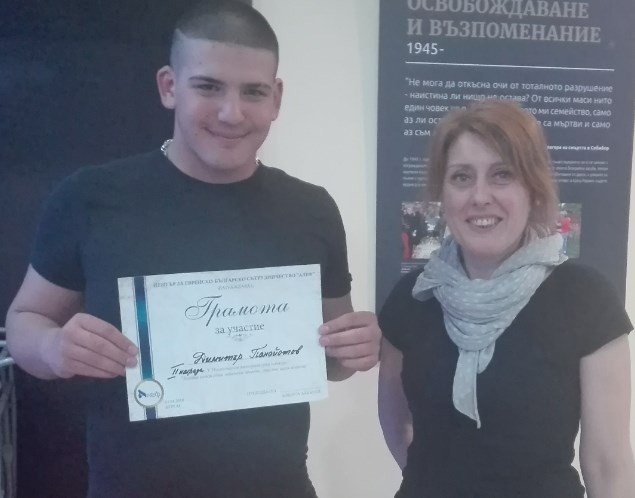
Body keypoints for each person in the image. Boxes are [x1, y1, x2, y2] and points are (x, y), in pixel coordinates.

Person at [5, 2, 380, 497]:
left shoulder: (311, 209)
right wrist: (53, 349)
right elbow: (25, 319)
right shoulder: (91, 198)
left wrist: (356, 348)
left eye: (253, 92)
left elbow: (332, 357)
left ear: (276, 98)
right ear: (169, 87)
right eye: (208, 87)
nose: (231, 113)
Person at [378, 99, 635, 498]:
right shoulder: (413, 298)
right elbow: (399, 428)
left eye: (502, 175)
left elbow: (608, 465)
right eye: (462, 177)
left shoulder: (585, 300)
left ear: (533, 189)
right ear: (442, 193)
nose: (480, 196)